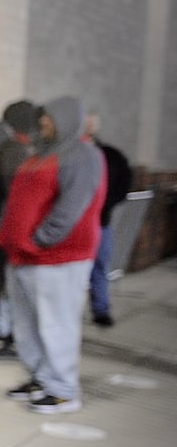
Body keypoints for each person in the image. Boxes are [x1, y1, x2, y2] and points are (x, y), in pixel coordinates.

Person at [0, 95, 106, 414]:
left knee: (57, 324)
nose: (42, 123)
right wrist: (10, 235)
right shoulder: (42, 154)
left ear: (65, 120)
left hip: (57, 258)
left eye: (48, 119)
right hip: (24, 256)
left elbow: (72, 207)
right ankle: (41, 378)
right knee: (27, 324)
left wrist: (39, 240)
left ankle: (63, 389)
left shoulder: (82, 156)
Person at [0, 99, 40, 358]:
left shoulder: (10, 153)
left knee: (9, 283)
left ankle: (5, 335)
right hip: (28, 229)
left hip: (12, 228)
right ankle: (10, 334)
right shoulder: (35, 151)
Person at [84, 110, 134, 326]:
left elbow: (124, 182)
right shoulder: (74, 153)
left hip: (100, 222)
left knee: (100, 267)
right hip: (78, 224)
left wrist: (109, 203)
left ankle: (101, 309)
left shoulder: (110, 156)